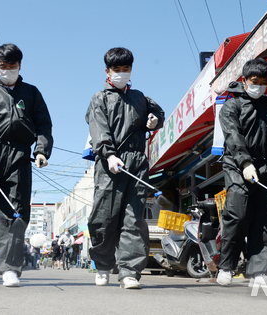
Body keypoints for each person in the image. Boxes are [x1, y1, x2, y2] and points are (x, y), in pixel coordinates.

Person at [0, 43, 53, 287]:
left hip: (19, 156)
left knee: (14, 213)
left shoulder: (32, 93)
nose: (7, 70)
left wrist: (41, 150)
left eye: (11, 66)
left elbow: (44, 125)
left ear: (20, 65)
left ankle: (9, 269)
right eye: (2, 67)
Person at [86, 47, 165, 289]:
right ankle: (102, 265)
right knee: (105, 217)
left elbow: (158, 113)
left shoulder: (140, 97)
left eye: (126, 69)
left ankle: (130, 271)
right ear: (107, 71)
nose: (122, 73)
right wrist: (109, 154)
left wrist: (155, 120)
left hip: (137, 164)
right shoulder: (100, 98)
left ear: (131, 70)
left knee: (134, 218)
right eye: (116, 70)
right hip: (109, 164)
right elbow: (98, 129)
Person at [216, 58, 267, 288]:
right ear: (244, 80)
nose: (258, 86)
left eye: (264, 82)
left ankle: (259, 271)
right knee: (237, 214)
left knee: (266, 216)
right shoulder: (232, 106)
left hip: (265, 165)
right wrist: (245, 162)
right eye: (254, 81)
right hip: (237, 165)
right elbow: (233, 136)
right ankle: (226, 266)